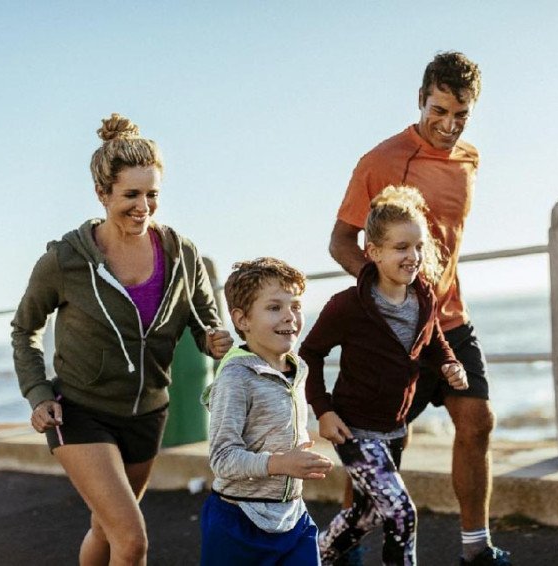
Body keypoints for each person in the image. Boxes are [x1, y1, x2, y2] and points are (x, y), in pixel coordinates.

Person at [11, 113, 233, 566]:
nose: (143, 207)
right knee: (132, 540)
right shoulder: (66, 260)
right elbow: (24, 329)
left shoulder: (180, 252)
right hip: (80, 411)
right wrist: (37, 394)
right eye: (131, 195)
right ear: (102, 194)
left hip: (148, 413)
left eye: (152, 195)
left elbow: (203, 318)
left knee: (106, 528)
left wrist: (215, 339)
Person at [329, 52, 511, 565]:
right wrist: (385, 295)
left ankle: (476, 549)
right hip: (395, 330)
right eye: (439, 111)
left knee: (477, 420)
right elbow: (342, 242)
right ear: (420, 100)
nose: (449, 126)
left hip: (451, 319)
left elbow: (446, 243)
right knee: (378, 450)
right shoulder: (380, 162)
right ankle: (347, 551)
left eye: (460, 115)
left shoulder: (469, 160)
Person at [301, 186, 469, 565]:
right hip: (354, 428)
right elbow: (310, 353)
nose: (412, 257)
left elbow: (434, 340)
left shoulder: (423, 296)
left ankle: (312, 557)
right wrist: (323, 410)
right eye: (400, 248)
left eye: (417, 247)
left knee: (369, 513)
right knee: (401, 512)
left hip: (394, 427)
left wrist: (450, 364)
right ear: (373, 252)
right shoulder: (348, 305)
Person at [200, 257, 334, 565]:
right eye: (274, 308)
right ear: (242, 319)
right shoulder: (235, 378)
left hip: (292, 517)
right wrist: (282, 463)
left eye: (296, 306)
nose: (290, 316)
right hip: (237, 521)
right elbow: (222, 459)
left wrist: (299, 454)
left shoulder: (297, 369)